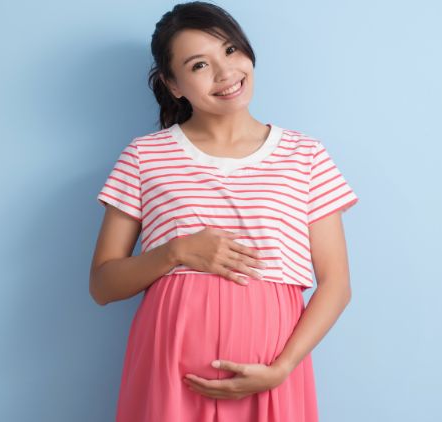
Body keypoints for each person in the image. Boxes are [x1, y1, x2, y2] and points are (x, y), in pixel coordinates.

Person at [89, 2, 359, 421]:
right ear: (173, 84)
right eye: (199, 65)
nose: (225, 72)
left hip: (270, 373)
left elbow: (336, 284)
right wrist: (176, 251)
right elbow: (102, 285)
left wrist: (282, 368)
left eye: (230, 50)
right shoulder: (145, 156)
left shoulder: (304, 155)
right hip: (170, 374)